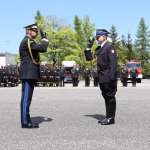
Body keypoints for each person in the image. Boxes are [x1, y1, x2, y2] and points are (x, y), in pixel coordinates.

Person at [84, 29, 118, 125]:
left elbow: (113, 63)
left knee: (110, 96)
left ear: (105, 36)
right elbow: (89, 58)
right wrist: (88, 47)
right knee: (106, 96)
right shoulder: (98, 49)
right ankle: (108, 116)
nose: (97, 38)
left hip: (108, 75)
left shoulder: (109, 47)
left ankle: (111, 118)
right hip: (101, 75)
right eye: (96, 37)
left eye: (99, 37)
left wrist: (112, 77)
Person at [19, 23, 49, 128]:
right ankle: (25, 122)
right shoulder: (28, 42)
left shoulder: (30, 42)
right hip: (28, 74)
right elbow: (43, 48)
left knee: (28, 99)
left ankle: (27, 119)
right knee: (26, 99)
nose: (36, 33)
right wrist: (45, 38)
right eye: (35, 31)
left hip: (30, 74)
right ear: (30, 31)